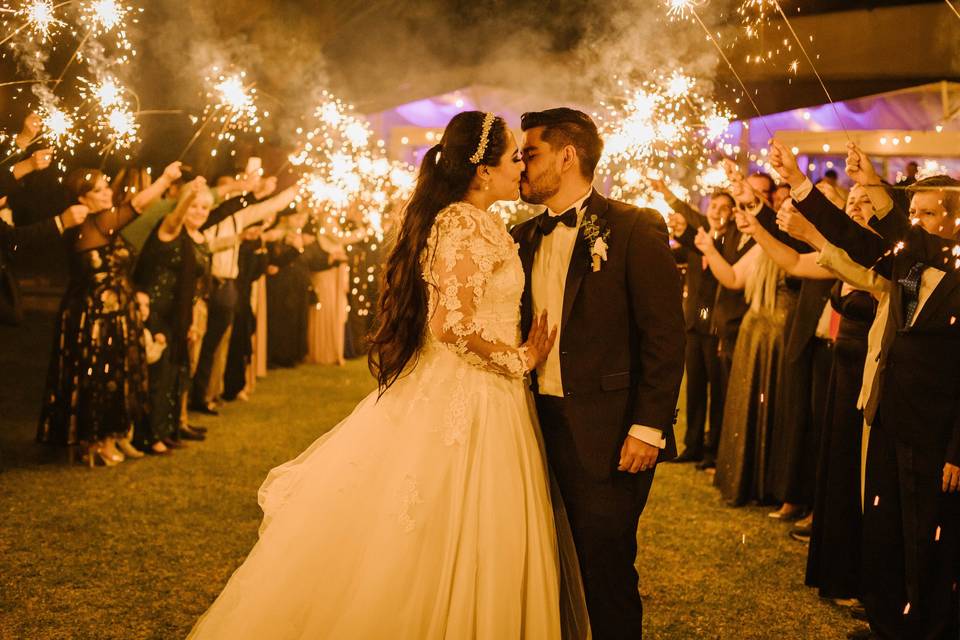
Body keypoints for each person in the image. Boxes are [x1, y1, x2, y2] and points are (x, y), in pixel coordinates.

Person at [189, 111, 582, 639]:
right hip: (473, 393)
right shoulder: (461, 222)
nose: (521, 167)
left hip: (490, 394)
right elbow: (449, 325)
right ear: (483, 172)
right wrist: (521, 358)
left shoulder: (482, 222)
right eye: (514, 156)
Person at [770, 139, 960, 639]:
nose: (913, 220)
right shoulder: (912, 264)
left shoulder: (953, 268)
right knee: (889, 527)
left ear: (954, 222)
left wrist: (958, 451)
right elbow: (851, 239)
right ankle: (888, 620)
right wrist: (800, 183)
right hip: (893, 412)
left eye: (926, 212)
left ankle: (927, 626)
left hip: (936, 429)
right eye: (911, 211)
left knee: (928, 536)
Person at [512, 108, 686, 639]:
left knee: (605, 566)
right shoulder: (520, 238)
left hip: (610, 432)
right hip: (530, 427)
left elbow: (665, 335)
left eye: (530, 153)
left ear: (567, 156)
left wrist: (648, 426)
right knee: (543, 563)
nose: (520, 164)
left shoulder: (635, 226)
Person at [37, 162, 182, 466]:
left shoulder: (100, 222)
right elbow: (138, 204)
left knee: (116, 376)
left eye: (106, 187)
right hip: (93, 316)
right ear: (82, 198)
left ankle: (112, 436)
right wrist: (165, 178)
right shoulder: (92, 224)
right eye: (100, 189)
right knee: (98, 378)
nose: (107, 193)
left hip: (114, 311)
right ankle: (93, 440)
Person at [658, 185, 733, 469]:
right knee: (695, 387)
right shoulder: (698, 241)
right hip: (693, 324)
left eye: (724, 208)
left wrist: (680, 227)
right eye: (714, 206)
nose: (717, 212)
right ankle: (693, 445)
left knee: (717, 390)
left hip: (716, 327)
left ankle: (714, 449)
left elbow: (700, 245)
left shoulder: (729, 244)